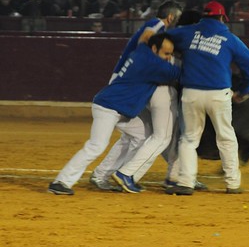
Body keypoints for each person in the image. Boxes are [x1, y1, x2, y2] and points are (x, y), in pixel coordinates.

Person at [48, 33, 181, 195]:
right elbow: (180, 74)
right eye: (166, 53)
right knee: (96, 146)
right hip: (108, 108)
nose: (168, 58)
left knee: (142, 135)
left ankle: (106, 175)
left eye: (171, 54)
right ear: (154, 49)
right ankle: (61, 181)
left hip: (118, 108)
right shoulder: (153, 63)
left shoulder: (141, 51)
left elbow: (145, 36)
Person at [165, 0, 249, 196]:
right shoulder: (229, 38)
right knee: (226, 138)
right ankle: (232, 183)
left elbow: (162, 37)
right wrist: (243, 90)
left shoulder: (188, 32)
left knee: (189, 139)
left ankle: (185, 182)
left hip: (191, 93)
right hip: (219, 94)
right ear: (223, 18)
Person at [90, 0, 183, 192]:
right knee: (155, 135)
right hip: (129, 86)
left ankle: (103, 174)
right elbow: (145, 40)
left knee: (137, 134)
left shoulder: (153, 26)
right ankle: (124, 174)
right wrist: (157, 63)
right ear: (171, 17)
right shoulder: (157, 25)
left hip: (125, 83)